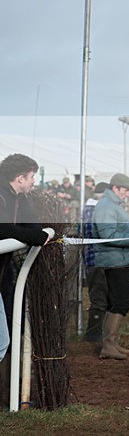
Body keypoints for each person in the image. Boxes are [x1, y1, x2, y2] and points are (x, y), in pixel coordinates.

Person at [93, 173, 129, 360]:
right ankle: (108, 345)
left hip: (118, 259)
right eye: (125, 190)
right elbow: (109, 235)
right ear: (115, 188)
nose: (127, 194)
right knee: (120, 301)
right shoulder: (106, 207)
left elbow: (119, 232)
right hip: (114, 261)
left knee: (116, 301)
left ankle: (111, 343)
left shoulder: (111, 206)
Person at [0, 154, 51, 361]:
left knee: (2, 341)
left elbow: (33, 223)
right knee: (2, 341)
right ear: (20, 178)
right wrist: (35, 237)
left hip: (2, 274)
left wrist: (38, 234)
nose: (33, 182)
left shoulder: (19, 197)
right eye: (31, 177)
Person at [81, 182, 109, 343]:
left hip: (90, 257)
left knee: (97, 295)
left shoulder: (86, 209)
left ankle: (95, 332)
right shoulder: (99, 210)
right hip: (100, 257)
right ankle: (93, 334)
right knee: (100, 297)